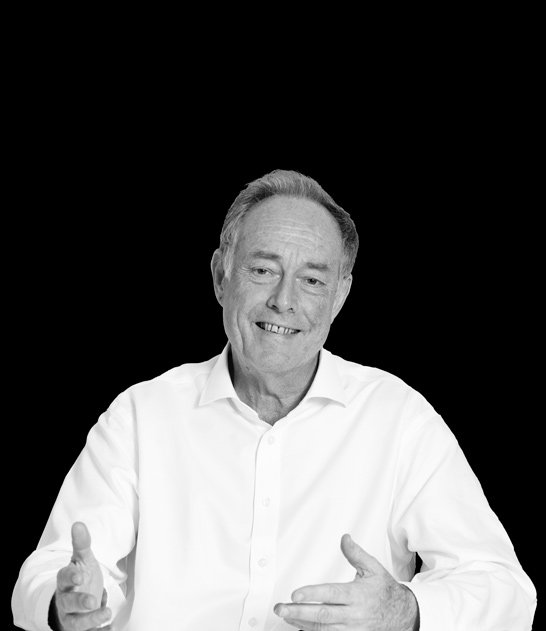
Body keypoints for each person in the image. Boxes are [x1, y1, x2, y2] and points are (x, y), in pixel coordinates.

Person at [13, 169, 536, 631]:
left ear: (340, 296)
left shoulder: (399, 419)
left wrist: (407, 611)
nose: (284, 300)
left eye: (312, 280)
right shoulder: (140, 416)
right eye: (262, 270)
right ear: (221, 276)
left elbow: (507, 591)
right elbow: (48, 576)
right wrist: (65, 603)